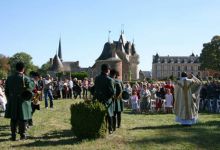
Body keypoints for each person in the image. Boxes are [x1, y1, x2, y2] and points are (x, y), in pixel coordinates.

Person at [5, 62, 34, 141]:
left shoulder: (9, 78)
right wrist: (32, 81)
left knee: (13, 118)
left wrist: (9, 99)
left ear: (16, 68)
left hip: (12, 101)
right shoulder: (25, 78)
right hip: (23, 101)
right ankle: (22, 135)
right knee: (23, 119)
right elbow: (31, 87)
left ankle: (13, 135)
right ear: (23, 69)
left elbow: (6, 91)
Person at [94, 64, 115, 134]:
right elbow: (112, 92)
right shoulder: (109, 79)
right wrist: (107, 98)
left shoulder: (96, 78)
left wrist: (97, 97)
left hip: (99, 99)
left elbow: (95, 89)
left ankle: (102, 128)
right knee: (109, 115)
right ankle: (110, 129)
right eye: (109, 70)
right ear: (107, 70)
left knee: (101, 115)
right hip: (107, 100)